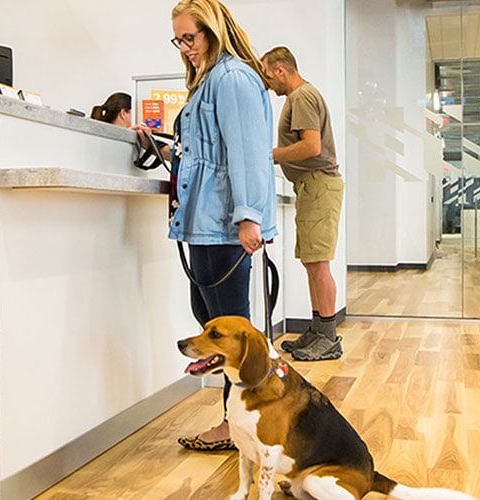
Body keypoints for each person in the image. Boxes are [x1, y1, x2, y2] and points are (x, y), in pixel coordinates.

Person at [165, 0, 277, 452]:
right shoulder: (210, 80)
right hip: (204, 223)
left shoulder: (230, 79)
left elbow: (248, 152)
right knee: (212, 323)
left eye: (190, 37)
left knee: (236, 339)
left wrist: (249, 215)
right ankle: (245, 421)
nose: (185, 47)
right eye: (179, 39)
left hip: (223, 224)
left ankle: (239, 426)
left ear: (213, 30)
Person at [261, 46, 344, 361]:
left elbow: (311, 146)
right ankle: (319, 329)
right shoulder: (299, 98)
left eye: (269, 76)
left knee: (319, 263)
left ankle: (330, 338)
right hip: (311, 188)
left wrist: (270, 155)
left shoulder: (301, 97)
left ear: (281, 69)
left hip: (319, 185)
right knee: (312, 262)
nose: (269, 84)